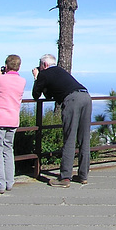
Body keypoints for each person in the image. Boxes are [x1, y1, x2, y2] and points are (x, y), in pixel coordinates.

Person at [32, 54, 92, 187]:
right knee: (84, 138)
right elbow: (50, 93)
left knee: (70, 138)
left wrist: (36, 78)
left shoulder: (44, 74)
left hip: (72, 100)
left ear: (45, 65)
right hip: (86, 96)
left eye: (40, 65)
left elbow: (36, 94)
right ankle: (83, 175)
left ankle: (65, 178)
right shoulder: (60, 71)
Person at [0, 54, 26, 194]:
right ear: (19, 66)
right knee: (8, 149)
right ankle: (9, 182)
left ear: (6, 66)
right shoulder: (22, 81)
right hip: (13, 120)